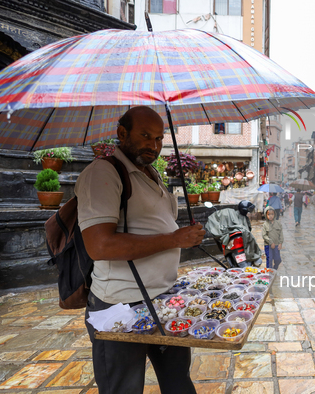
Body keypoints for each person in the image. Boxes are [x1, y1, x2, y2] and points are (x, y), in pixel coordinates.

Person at [76, 106, 206, 394]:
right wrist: (174, 239)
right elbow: (100, 245)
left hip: (162, 299)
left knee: (178, 382)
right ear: (122, 133)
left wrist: (185, 236)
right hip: (119, 305)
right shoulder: (103, 173)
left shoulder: (151, 173)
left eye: (159, 138)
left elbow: (155, 226)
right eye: (146, 136)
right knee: (123, 388)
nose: (154, 145)